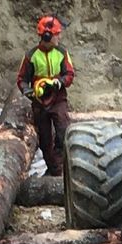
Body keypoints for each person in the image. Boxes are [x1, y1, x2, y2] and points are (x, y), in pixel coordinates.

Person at [18, 13, 76, 173]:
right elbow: (22, 79)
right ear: (47, 35)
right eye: (57, 34)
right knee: (44, 139)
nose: (59, 37)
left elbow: (69, 74)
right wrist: (29, 91)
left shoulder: (62, 53)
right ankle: (54, 169)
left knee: (63, 131)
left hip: (58, 99)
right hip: (40, 102)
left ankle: (62, 165)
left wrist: (59, 82)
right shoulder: (31, 56)